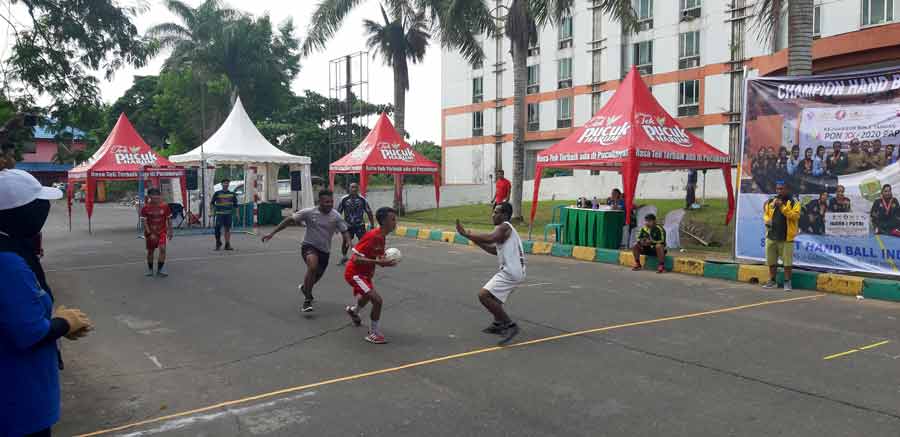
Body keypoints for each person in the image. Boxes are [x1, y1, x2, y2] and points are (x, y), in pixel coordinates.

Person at [0, 169, 94, 437]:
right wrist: (63, 324)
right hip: (17, 402)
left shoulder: (12, 248)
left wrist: (57, 322)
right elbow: (28, 333)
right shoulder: (8, 264)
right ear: (20, 214)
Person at [262, 190, 350, 312]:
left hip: (325, 250)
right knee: (312, 267)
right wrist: (272, 233)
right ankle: (307, 300)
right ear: (319, 202)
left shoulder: (336, 216)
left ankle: (305, 288)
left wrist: (348, 242)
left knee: (316, 277)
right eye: (326, 202)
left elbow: (344, 231)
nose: (329, 204)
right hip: (309, 246)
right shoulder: (309, 212)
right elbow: (288, 220)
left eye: (331, 202)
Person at [456, 202, 525, 345]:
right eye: (493, 211)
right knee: (495, 299)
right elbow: (494, 249)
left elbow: (490, 238)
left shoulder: (504, 227)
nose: (493, 214)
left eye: (497, 212)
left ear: (505, 215)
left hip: (511, 272)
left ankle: (510, 325)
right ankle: (498, 324)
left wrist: (467, 234)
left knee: (484, 295)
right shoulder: (504, 231)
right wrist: (473, 239)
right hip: (515, 271)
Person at [343, 207, 399, 344]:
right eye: (392, 219)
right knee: (377, 301)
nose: (395, 222)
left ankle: (353, 311)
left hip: (365, 274)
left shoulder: (381, 237)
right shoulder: (374, 236)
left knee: (367, 297)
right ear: (384, 221)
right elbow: (355, 258)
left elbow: (378, 258)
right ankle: (373, 333)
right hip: (355, 273)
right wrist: (377, 261)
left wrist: (384, 262)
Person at [763, 182, 800, 291]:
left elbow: (795, 216)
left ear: (787, 189)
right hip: (771, 236)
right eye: (777, 189)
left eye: (781, 189)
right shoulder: (771, 201)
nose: (779, 191)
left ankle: (787, 282)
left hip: (786, 238)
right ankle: (772, 280)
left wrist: (782, 207)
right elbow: (766, 213)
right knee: (771, 260)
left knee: (787, 262)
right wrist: (767, 220)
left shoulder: (793, 202)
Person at [337, 182, 375, 265]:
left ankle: (363, 257)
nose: (354, 189)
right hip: (347, 225)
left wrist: (372, 224)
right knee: (345, 242)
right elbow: (337, 213)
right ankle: (344, 256)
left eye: (355, 187)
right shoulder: (344, 199)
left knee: (363, 242)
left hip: (360, 225)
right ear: (349, 189)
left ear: (358, 189)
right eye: (352, 187)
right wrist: (337, 225)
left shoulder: (362, 200)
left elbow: (369, 212)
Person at [140, 188, 172, 277]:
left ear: (160, 196)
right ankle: (150, 269)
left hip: (161, 232)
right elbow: (144, 222)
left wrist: (170, 231)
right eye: (153, 197)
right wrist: (150, 234)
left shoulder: (165, 206)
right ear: (149, 196)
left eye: (157, 196)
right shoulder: (145, 208)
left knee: (163, 249)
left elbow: (169, 219)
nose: (155, 198)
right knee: (151, 252)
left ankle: (160, 269)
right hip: (150, 233)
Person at [210, 178, 238, 251]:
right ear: (221, 184)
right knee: (217, 229)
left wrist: (237, 214)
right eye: (224, 183)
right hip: (219, 214)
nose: (226, 184)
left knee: (227, 229)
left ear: (228, 184)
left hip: (228, 214)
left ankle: (227, 244)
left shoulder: (232, 194)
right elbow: (212, 203)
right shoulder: (217, 193)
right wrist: (212, 212)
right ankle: (218, 242)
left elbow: (236, 205)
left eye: (227, 183)